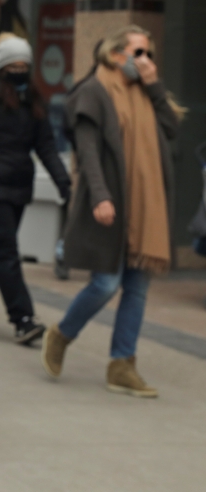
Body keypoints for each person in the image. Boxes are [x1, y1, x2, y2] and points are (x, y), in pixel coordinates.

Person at [42, 25, 179, 397]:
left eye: (149, 54)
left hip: (145, 204)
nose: (146, 61)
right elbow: (87, 151)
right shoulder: (94, 91)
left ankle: (122, 365)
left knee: (136, 287)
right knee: (105, 283)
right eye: (139, 54)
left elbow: (170, 128)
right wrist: (101, 196)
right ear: (116, 54)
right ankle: (62, 334)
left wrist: (154, 87)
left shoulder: (147, 93)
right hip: (111, 201)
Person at [0, 34, 71, 345]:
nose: (19, 70)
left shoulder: (33, 100)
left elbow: (46, 146)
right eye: (13, 65)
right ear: (1, 67)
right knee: (6, 252)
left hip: (18, 187)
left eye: (24, 65)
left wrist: (64, 183)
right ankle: (23, 318)